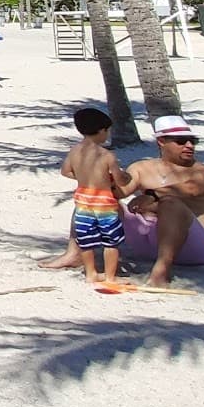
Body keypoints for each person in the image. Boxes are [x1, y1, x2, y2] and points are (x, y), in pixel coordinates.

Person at [40, 115, 204, 286]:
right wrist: (96, 178)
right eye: (181, 141)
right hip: (148, 243)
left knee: (170, 204)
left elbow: (189, 189)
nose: (189, 145)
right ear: (161, 141)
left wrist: (151, 196)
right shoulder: (143, 167)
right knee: (95, 197)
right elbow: (119, 191)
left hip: (195, 249)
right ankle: (74, 254)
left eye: (193, 141)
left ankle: (161, 271)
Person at [65, 108, 128, 284]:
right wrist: (125, 177)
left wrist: (83, 178)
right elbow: (120, 180)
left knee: (86, 239)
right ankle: (110, 277)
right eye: (107, 131)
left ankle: (91, 273)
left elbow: (65, 171)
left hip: (82, 200)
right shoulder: (106, 155)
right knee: (111, 241)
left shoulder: (75, 151)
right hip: (104, 203)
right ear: (101, 130)